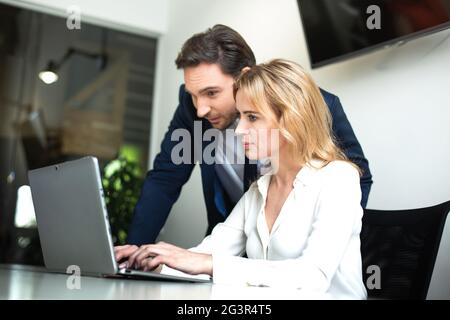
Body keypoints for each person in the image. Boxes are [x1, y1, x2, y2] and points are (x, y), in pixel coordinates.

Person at [118, 59, 367, 299]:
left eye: (252, 117)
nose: (238, 129)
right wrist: (148, 260)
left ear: (291, 119)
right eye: (241, 116)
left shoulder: (339, 178)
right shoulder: (259, 188)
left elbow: (313, 277)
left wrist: (209, 263)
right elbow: (207, 254)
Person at [116, 24, 372, 254]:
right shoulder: (191, 110)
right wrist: (134, 254)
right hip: (225, 247)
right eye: (194, 94)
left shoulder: (313, 107)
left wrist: (317, 242)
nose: (200, 109)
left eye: (211, 93)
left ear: (243, 77)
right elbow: (164, 179)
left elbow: (357, 177)